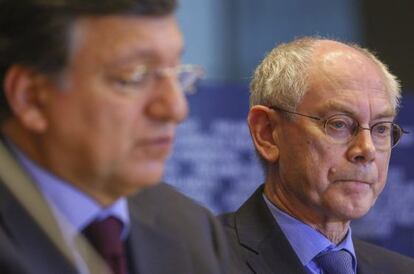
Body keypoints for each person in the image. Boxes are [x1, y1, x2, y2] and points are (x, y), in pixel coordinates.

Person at [0, 0, 230, 273]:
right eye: (133, 77)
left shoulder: (191, 230)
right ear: (32, 98)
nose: (176, 108)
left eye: (178, 73)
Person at [219, 37, 414, 273]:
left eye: (381, 128)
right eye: (339, 124)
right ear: (267, 133)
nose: (367, 149)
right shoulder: (200, 261)